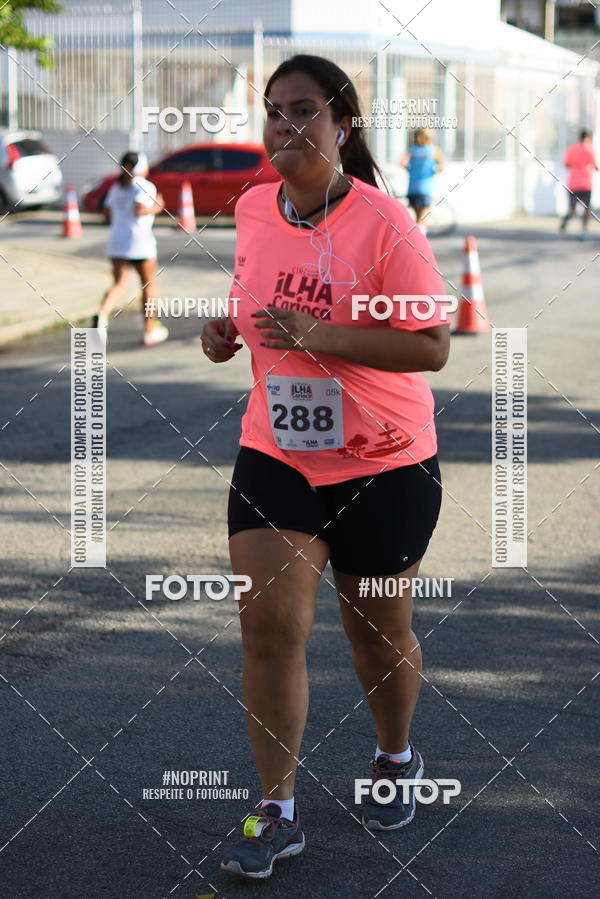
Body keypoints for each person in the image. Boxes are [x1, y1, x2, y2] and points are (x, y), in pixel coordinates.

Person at [201, 55, 451, 880]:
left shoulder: (387, 225)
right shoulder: (249, 207)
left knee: (376, 635)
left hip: (383, 460)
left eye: (303, 110)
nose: (284, 125)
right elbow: (252, 290)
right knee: (268, 625)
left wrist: (321, 336)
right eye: (273, 111)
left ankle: (395, 755)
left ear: (342, 123)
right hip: (278, 450)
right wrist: (227, 328)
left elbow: (431, 345)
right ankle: (276, 808)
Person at [91, 150, 168, 346]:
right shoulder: (144, 185)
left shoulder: (116, 187)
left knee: (119, 283)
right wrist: (158, 207)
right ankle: (149, 330)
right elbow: (140, 210)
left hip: (117, 240)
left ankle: (102, 315)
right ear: (141, 167)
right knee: (148, 285)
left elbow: (106, 214)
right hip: (139, 241)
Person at [400, 128, 445, 235]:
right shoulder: (434, 150)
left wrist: (410, 169)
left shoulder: (412, 150)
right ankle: (420, 242)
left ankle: (416, 240)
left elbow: (402, 163)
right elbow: (442, 166)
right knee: (423, 219)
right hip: (425, 188)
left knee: (417, 218)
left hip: (412, 188)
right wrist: (433, 170)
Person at [560, 130, 598, 239]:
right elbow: (595, 167)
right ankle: (584, 232)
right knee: (587, 209)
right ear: (586, 138)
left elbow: (566, 164)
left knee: (572, 210)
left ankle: (565, 222)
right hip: (586, 185)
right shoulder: (589, 149)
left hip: (573, 184)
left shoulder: (571, 148)